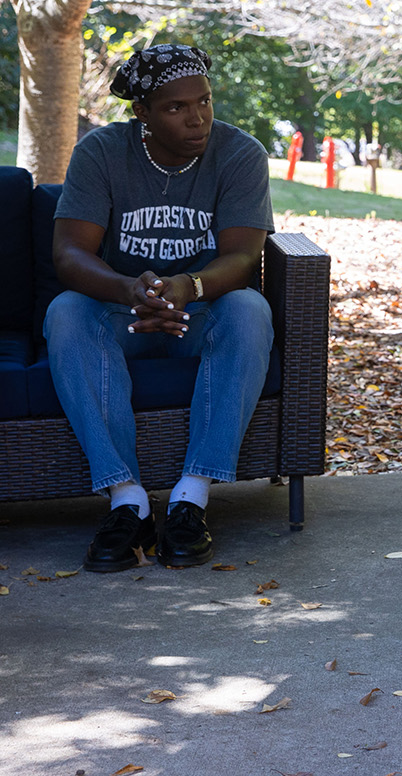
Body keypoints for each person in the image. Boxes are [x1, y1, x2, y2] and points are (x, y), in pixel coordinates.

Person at [46, 43, 276, 571]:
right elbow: (70, 252)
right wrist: (130, 290)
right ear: (143, 113)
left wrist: (189, 286)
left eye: (204, 101)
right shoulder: (102, 153)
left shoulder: (240, 154)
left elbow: (243, 256)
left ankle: (191, 500)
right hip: (124, 311)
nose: (196, 118)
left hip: (198, 312)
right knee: (66, 311)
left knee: (249, 309)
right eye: (176, 108)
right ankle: (127, 503)